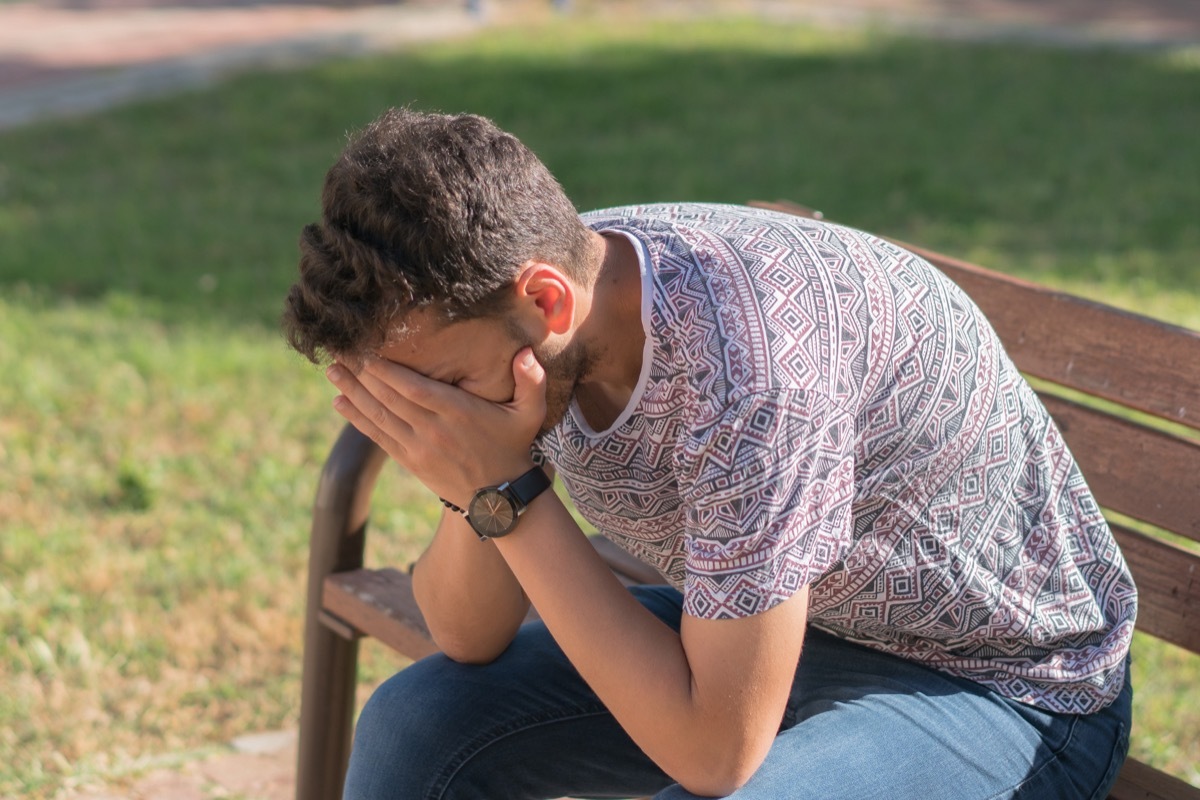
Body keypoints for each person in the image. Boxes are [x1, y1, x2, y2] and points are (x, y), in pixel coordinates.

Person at [282, 108, 1137, 800]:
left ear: (545, 300)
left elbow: (714, 756)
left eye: (445, 384)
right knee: (417, 722)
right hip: (777, 632)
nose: (442, 417)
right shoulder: (562, 299)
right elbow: (466, 636)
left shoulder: (750, 372)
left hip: (1004, 688)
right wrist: (484, 485)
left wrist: (506, 486)